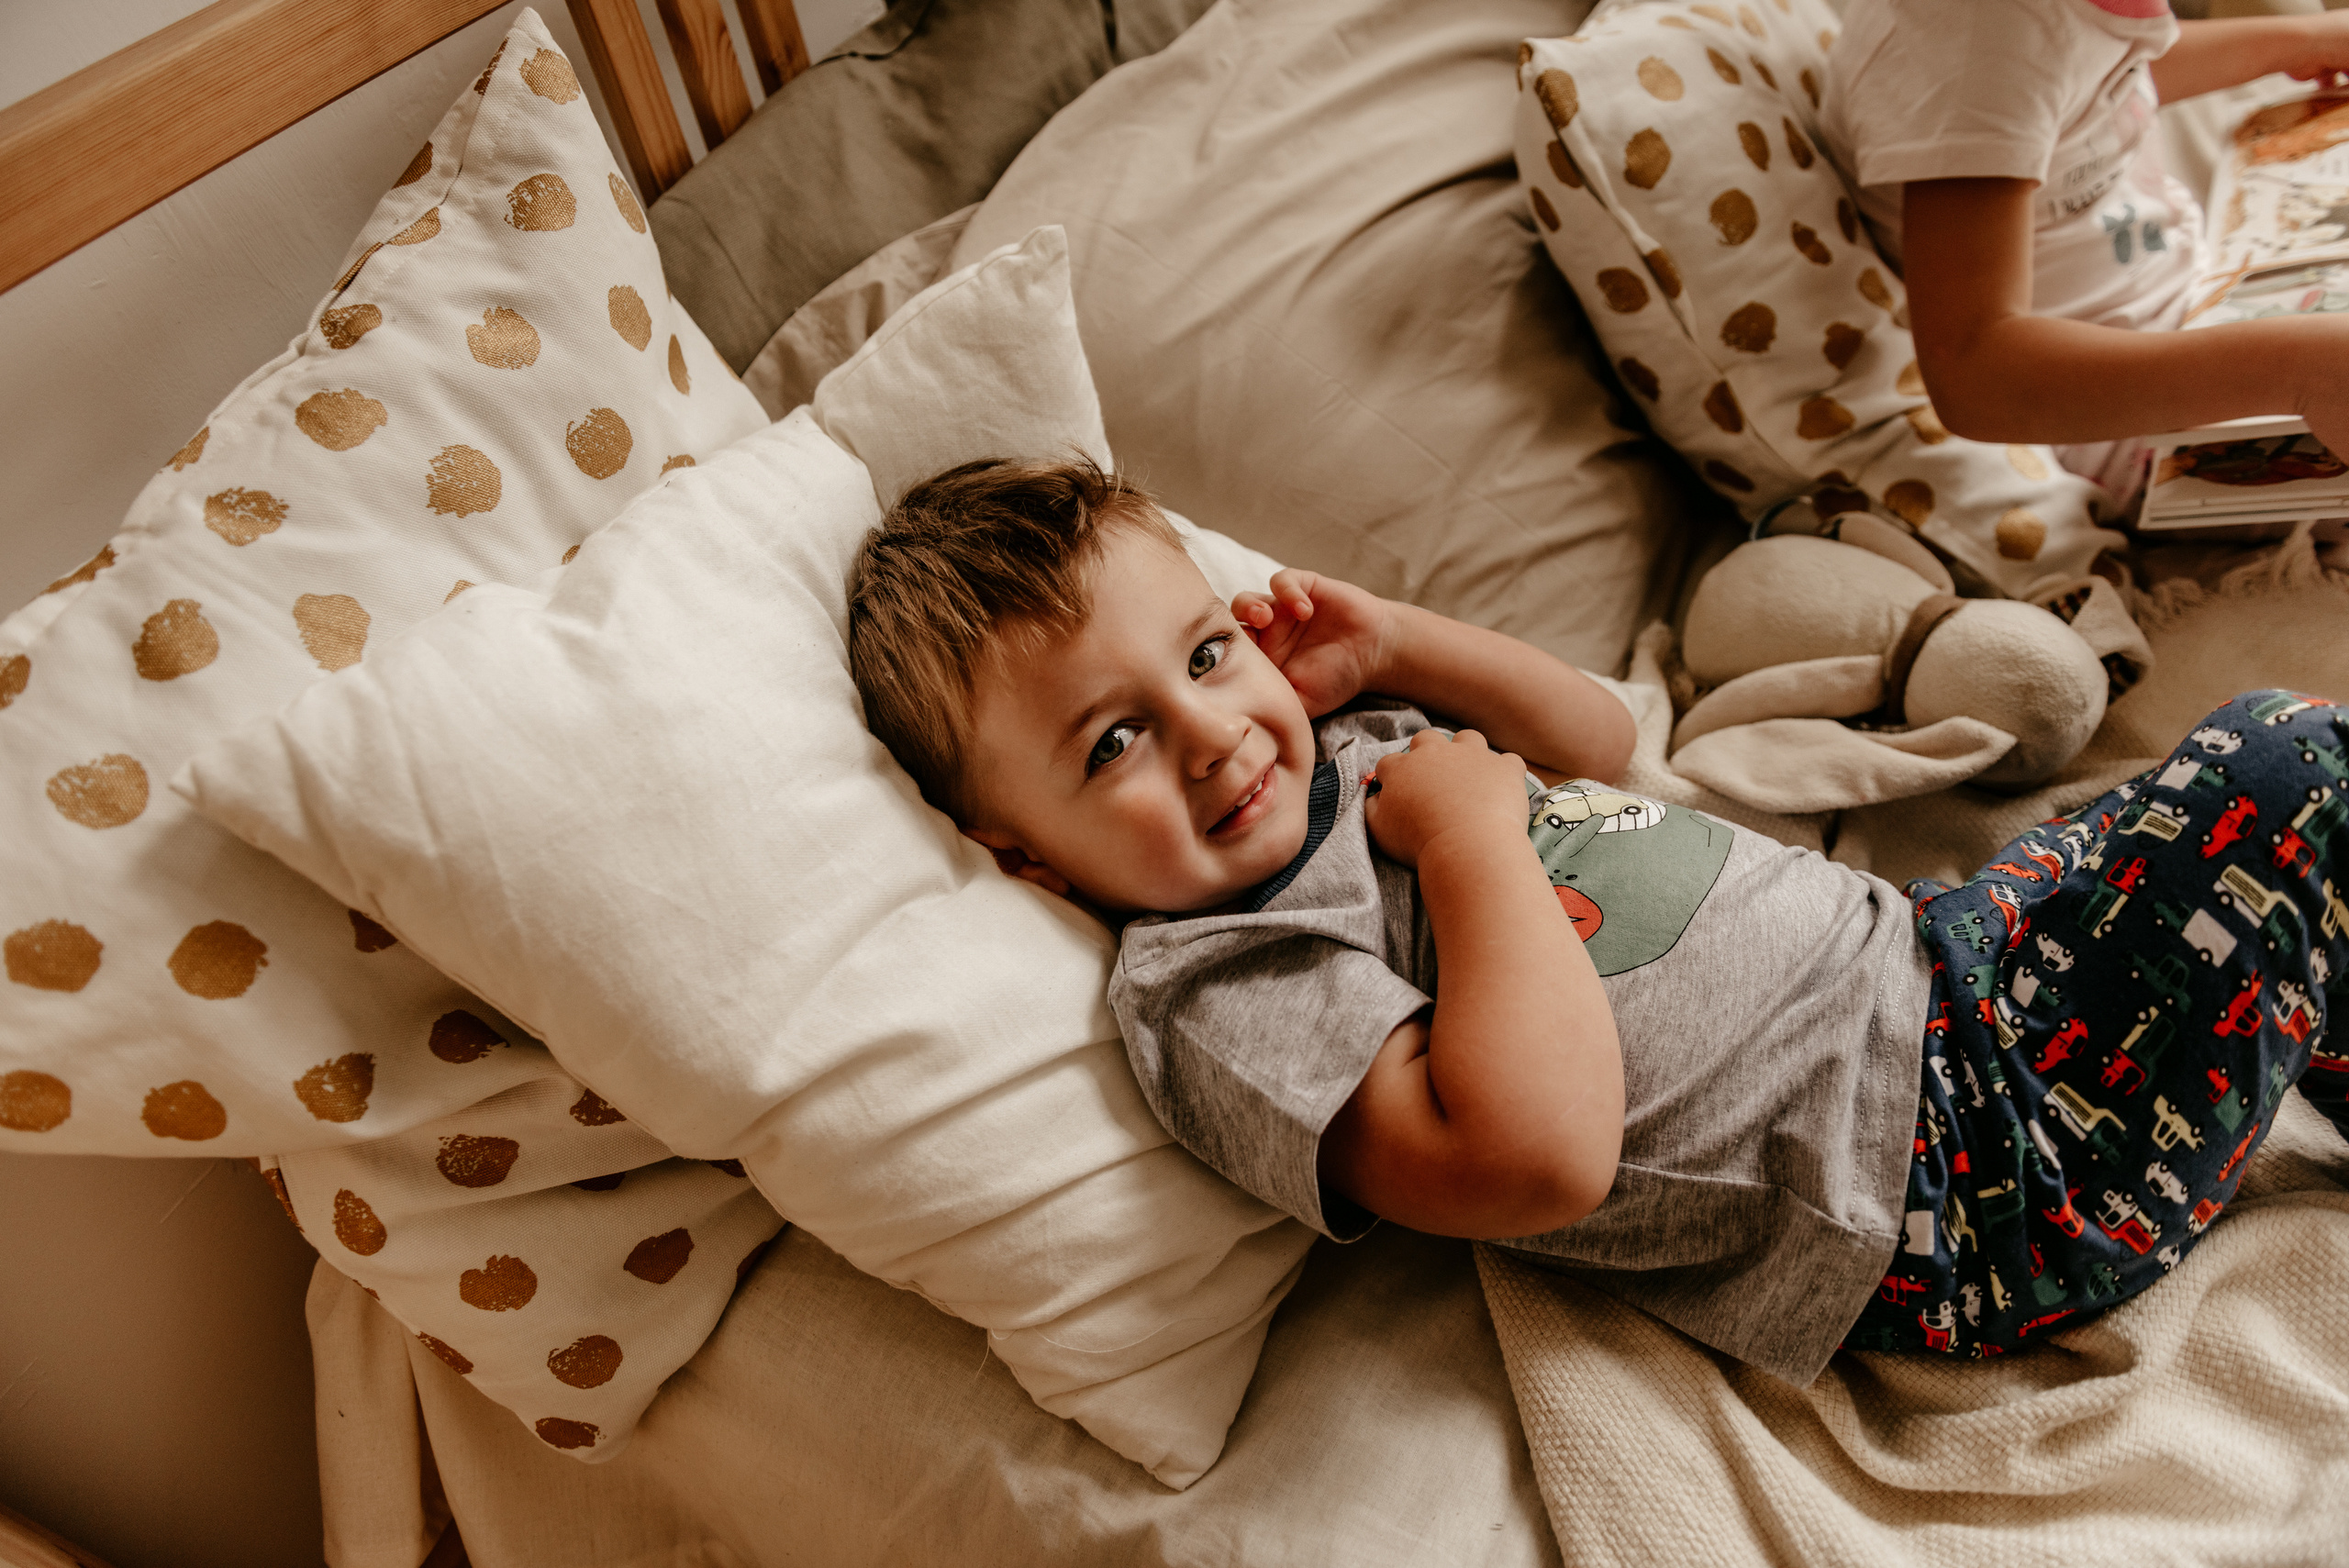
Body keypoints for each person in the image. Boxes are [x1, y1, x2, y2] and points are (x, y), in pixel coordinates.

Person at [846, 455, 2349, 1379]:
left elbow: (1593, 732)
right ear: (1024, 858)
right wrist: (1471, 841)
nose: (1209, 729)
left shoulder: (1353, 740)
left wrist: (1398, 641)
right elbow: (1535, 1155)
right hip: (1946, 1175)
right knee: (2291, 761)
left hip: (1933, 957)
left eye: (1208, 648)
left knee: (2201, 799)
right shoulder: (1217, 982)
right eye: (1111, 743)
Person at [1818, 0, 2349, 507]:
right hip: (2131, 430)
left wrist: (2302, 41)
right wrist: (2300, 372)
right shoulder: (1974, 41)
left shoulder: (2014, 39)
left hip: (2200, 298)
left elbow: (2086, 81)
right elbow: (1975, 377)